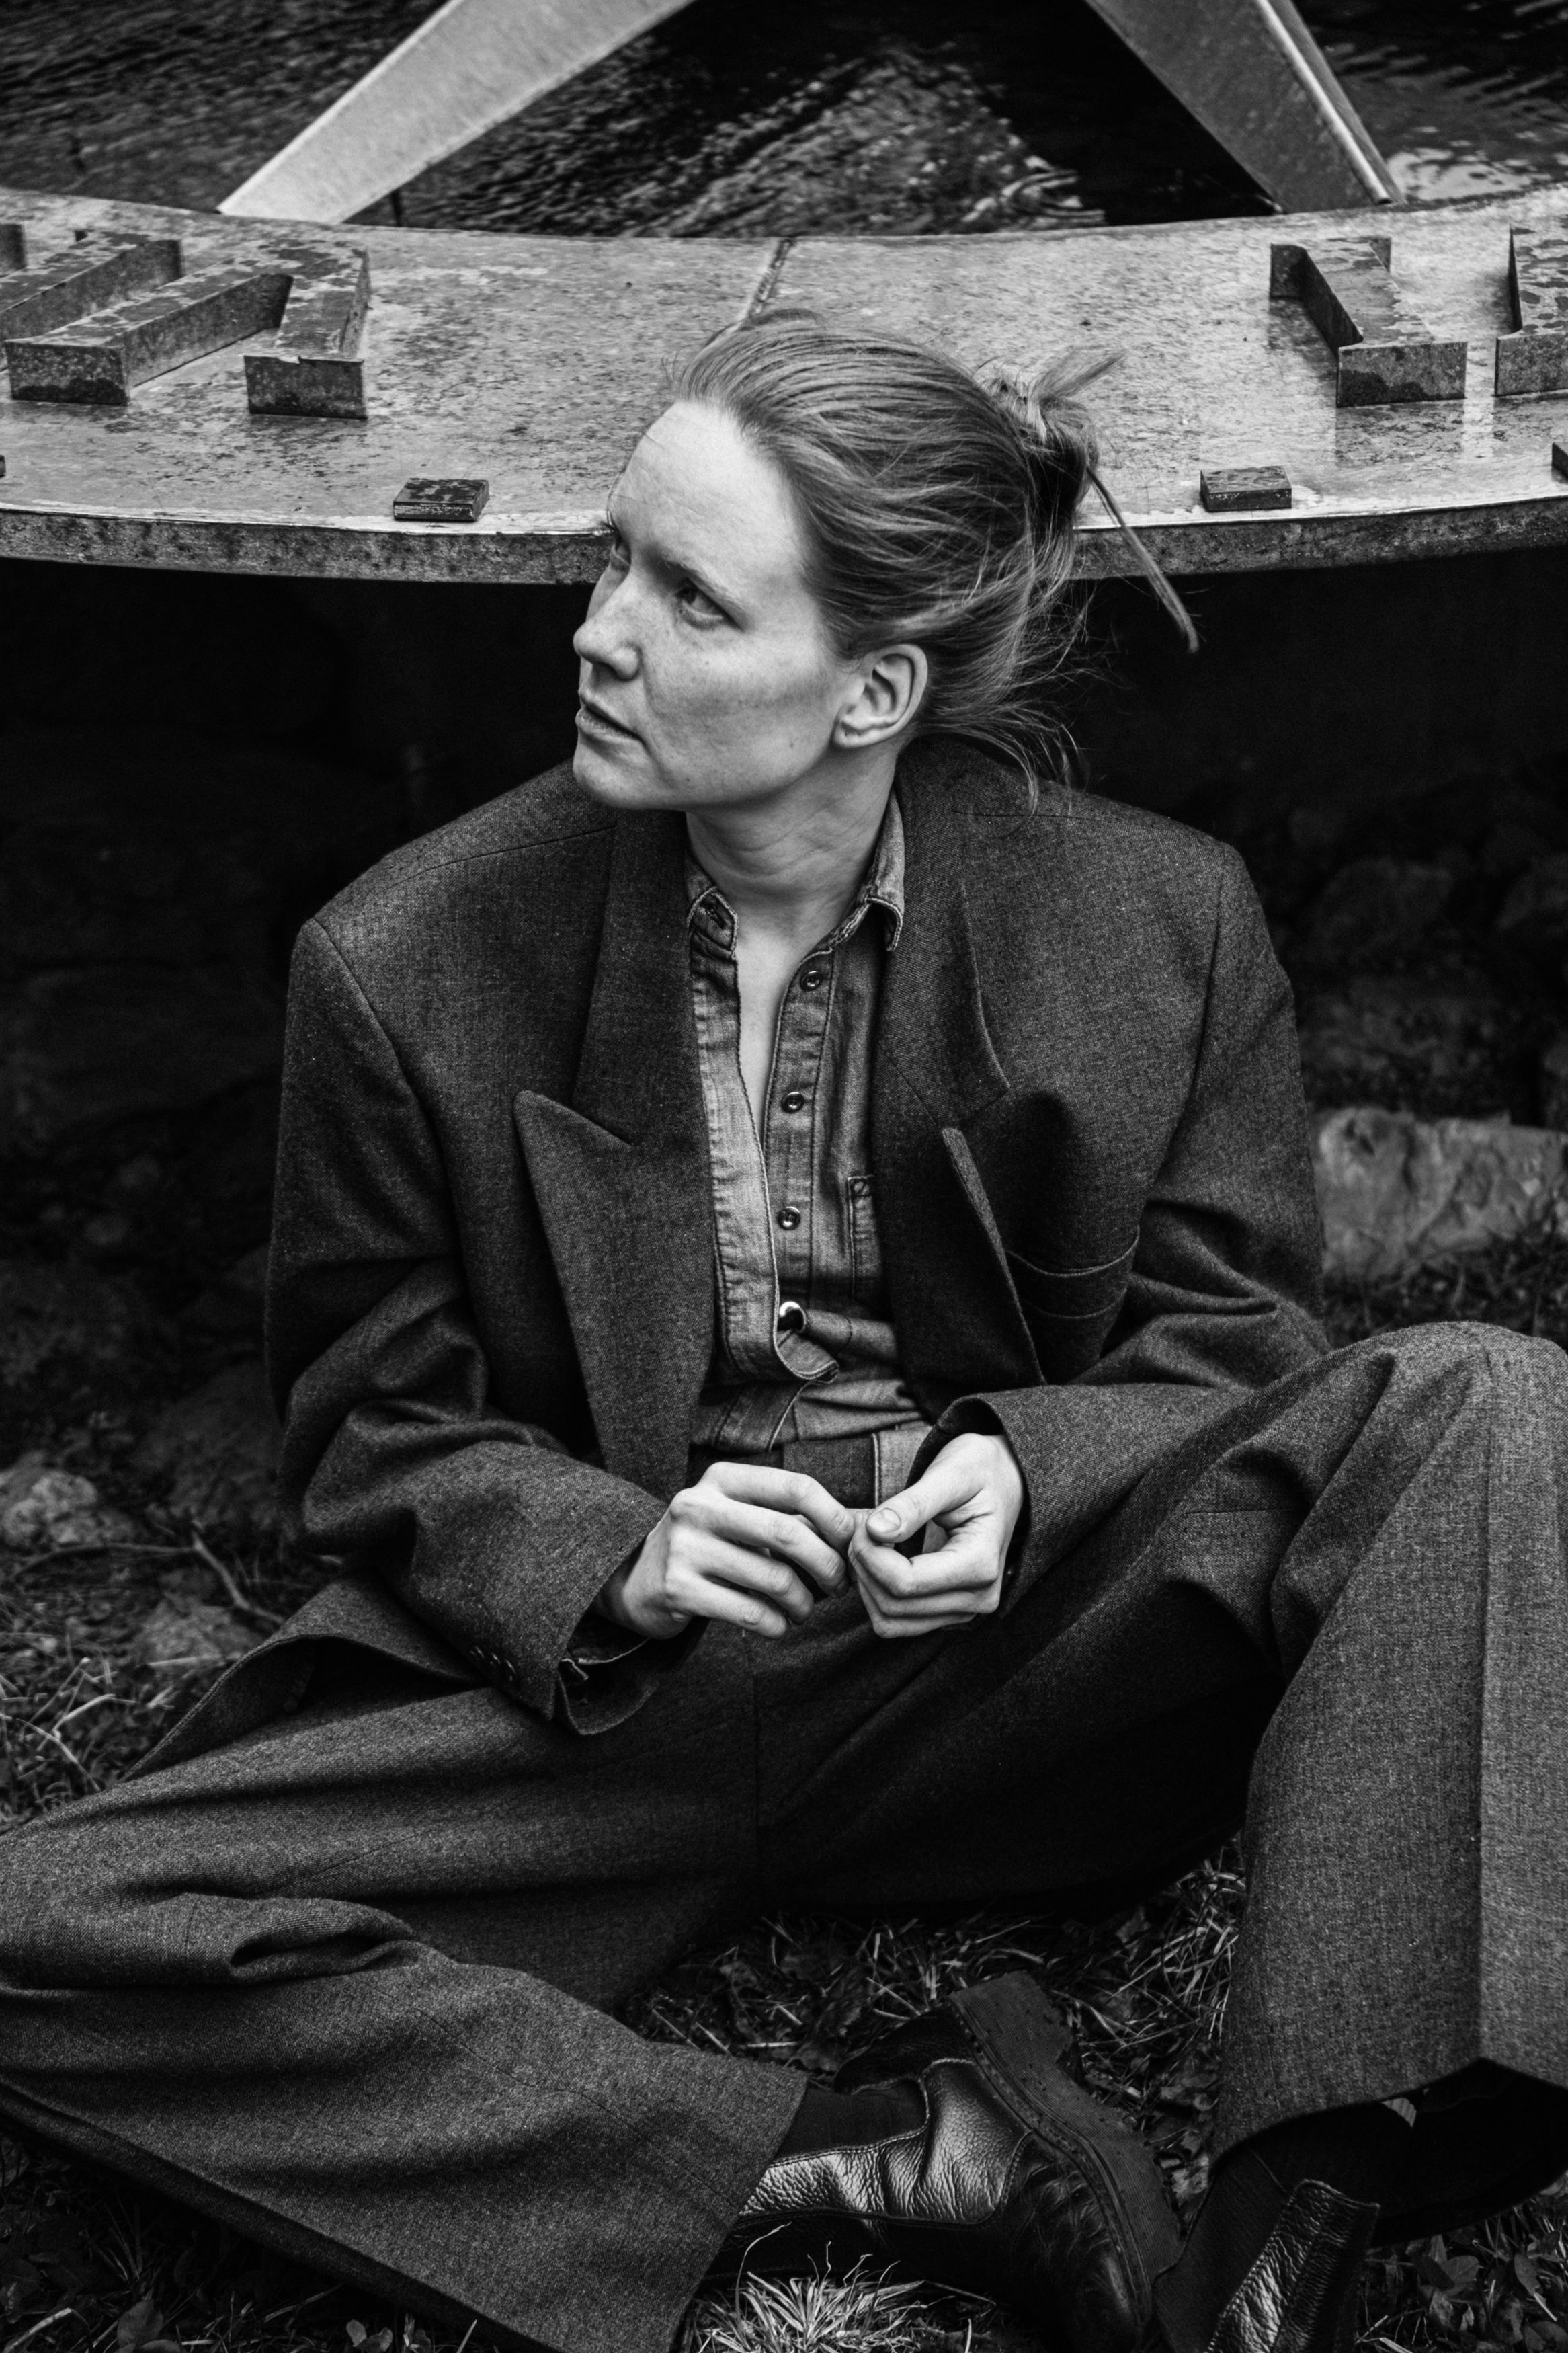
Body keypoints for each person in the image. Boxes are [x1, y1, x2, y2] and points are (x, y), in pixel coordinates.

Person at [0, 313, 1565, 2353]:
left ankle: (1286, 2239)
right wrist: (619, 1553)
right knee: (33, 1926)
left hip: (1019, 1673)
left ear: (873, 690)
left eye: (693, 599)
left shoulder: (1163, 925)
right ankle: (887, 2159)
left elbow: (1239, 1351)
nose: (599, 633)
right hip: (614, 1700)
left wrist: (1026, 1472)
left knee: (1490, 1401)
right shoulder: (399, 961)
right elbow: (371, 1420)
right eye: (613, 560)